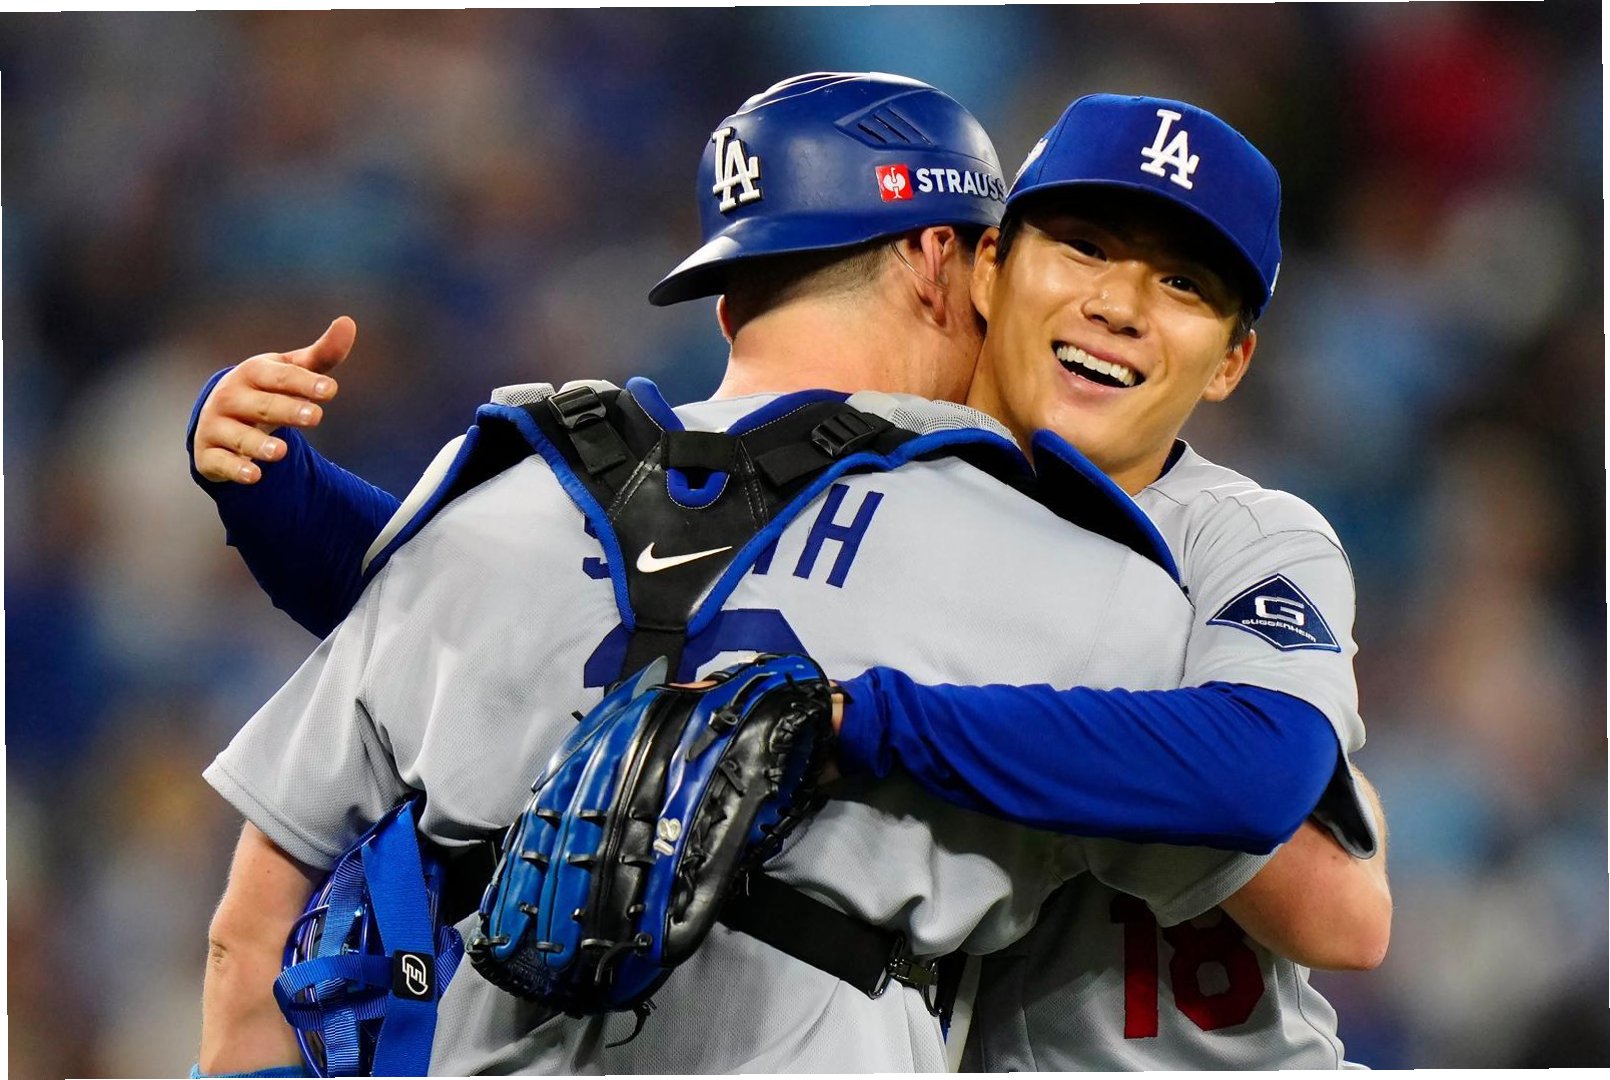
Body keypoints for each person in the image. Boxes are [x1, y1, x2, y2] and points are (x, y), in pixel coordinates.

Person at [193, 76, 1384, 1074]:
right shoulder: (861, 482)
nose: (1117, 304)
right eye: (1083, 245)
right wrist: (281, 496)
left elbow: (1335, 899)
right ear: (980, 264)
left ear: (1231, 361)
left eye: (1182, 284)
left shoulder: (1207, 545)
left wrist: (859, 720)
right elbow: (537, 607)